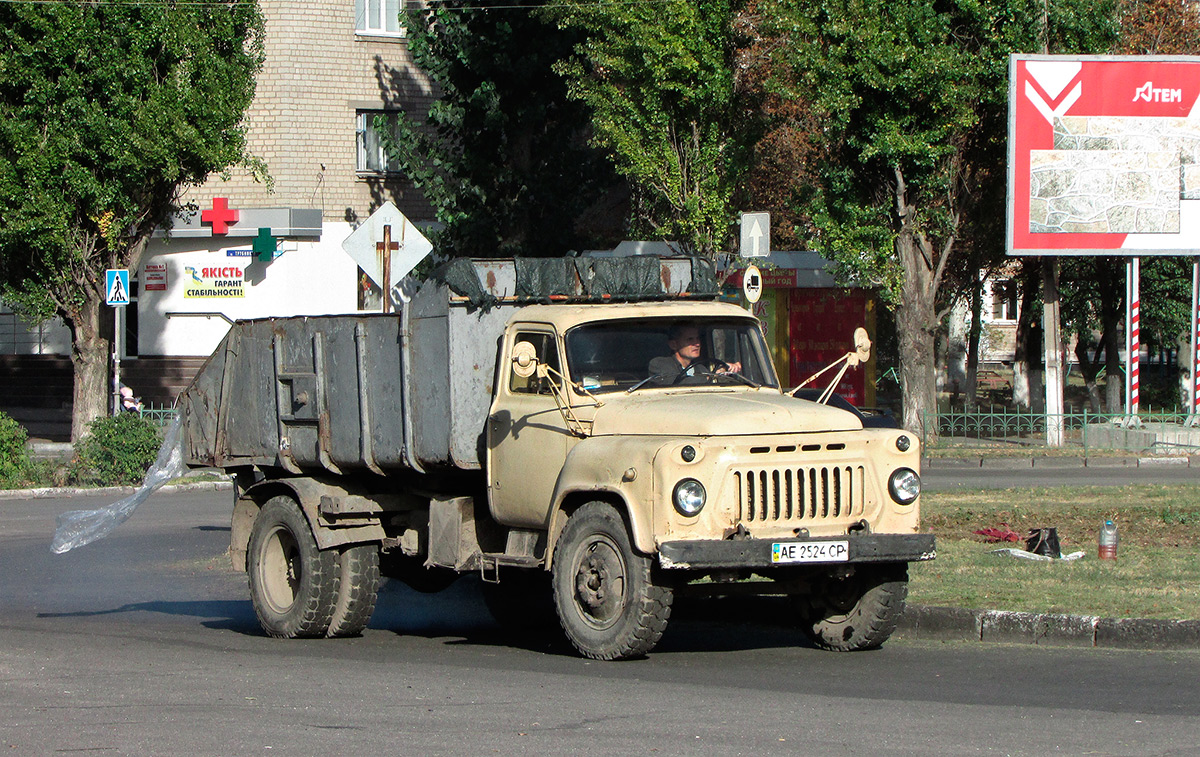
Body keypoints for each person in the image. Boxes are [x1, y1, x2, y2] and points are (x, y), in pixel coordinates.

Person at [648, 324, 740, 384]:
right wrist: (712, 375)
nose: (697, 344)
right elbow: (676, 383)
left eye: (697, 338)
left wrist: (729, 370)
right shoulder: (659, 364)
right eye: (690, 339)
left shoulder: (701, 368)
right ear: (674, 344)